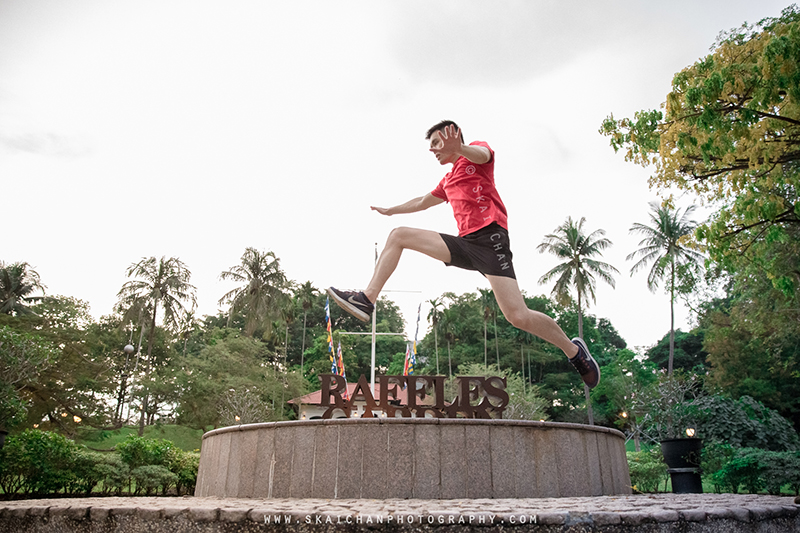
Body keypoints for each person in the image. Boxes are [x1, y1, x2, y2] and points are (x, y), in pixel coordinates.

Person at [327, 120, 600, 388]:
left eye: (436, 143)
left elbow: (483, 154)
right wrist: (391, 210)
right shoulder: (448, 179)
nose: (432, 150)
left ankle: (574, 352)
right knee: (399, 234)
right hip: (465, 244)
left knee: (518, 316)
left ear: (453, 136)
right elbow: (423, 202)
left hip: (490, 241)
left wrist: (461, 148)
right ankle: (367, 299)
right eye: (431, 145)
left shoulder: (476, 155)